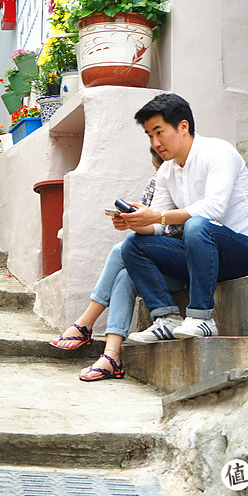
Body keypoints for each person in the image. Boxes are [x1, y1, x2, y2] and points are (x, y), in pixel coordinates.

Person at [116, 93, 248, 343]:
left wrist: (158, 216)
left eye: (159, 132)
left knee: (197, 224)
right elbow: (159, 225)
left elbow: (213, 209)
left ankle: (202, 318)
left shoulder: (218, 151)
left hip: (247, 254)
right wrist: (136, 221)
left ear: (183, 126)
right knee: (133, 245)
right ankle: (166, 318)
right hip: (203, 257)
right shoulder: (166, 170)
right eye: (149, 136)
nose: (155, 142)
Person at [49, 148, 183, 381]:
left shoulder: (189, 183)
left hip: (183, 265)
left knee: (119, 249)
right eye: (156, 167)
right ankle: (111, 356)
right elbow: (151, 231)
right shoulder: (156, 182)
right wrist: (132, 221)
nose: (158, 173)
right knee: (125, 276)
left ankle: (85, 323)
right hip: (154, 267)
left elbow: (174, 231)